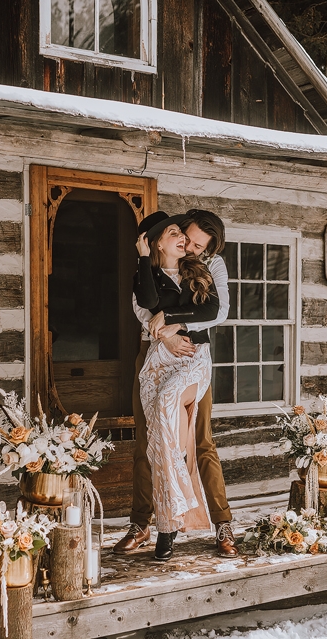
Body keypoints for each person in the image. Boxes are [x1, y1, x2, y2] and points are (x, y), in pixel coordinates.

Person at [116, 209, 238, 558]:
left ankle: (221, 522)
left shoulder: (209, 265)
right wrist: (164, 335)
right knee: (148, 440)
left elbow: (217, 312)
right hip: (154, 353)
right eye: (191, 240)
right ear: (180, 230)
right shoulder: (153, 262)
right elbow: (143, 310)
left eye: (201, 246)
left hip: (191, 354)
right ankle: (142, 524)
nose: (193, 249)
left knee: (200, 440)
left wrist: (175, 325)